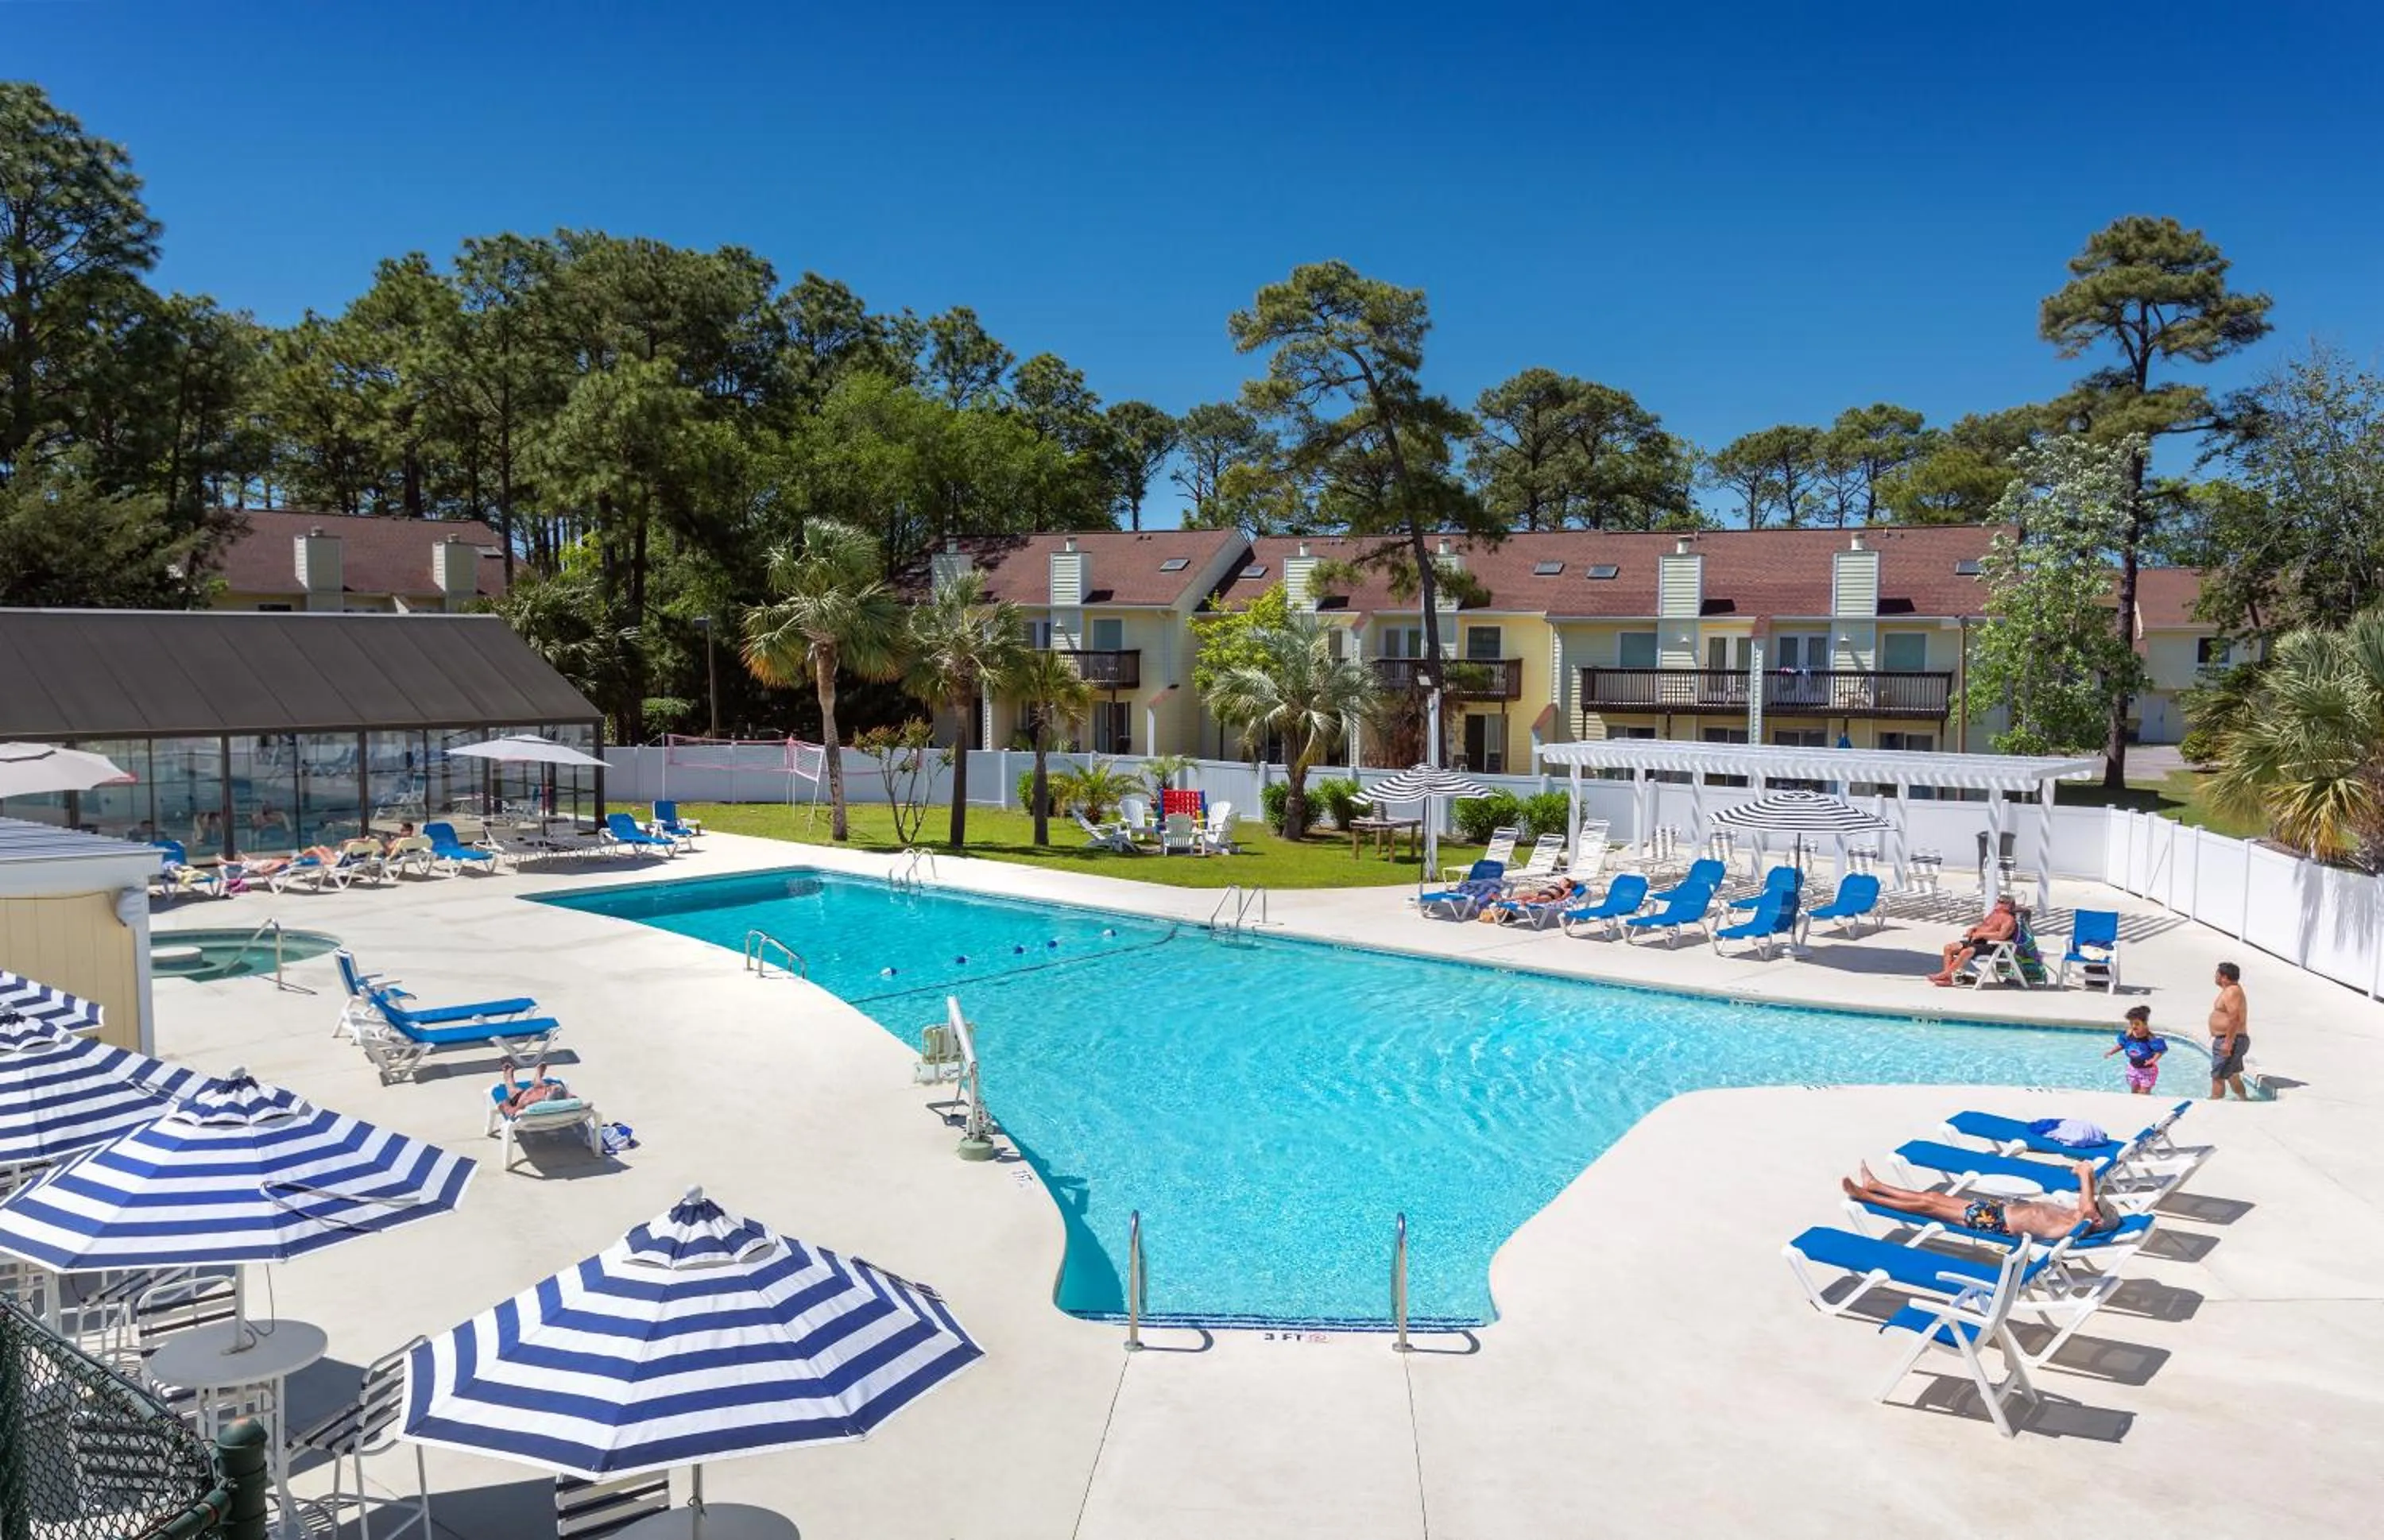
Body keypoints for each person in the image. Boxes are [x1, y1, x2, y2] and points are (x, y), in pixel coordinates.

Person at [1843, 1158, 2120, 1242]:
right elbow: (2088, 1198)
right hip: (1998, 1211)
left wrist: (2085, 1177)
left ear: (2095, 1221)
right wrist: (2085, 1172)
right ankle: (1876, 1185)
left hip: (1995, 1224)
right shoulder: (2077, 1214)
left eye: (2098, 1211)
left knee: (1928, 1207)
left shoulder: (2076, 1228)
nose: (2094, 1206)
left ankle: (1866, 1196)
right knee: (1934, 1196)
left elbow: (2086, 1211)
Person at [1926, 895, 2018, 985]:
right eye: (1998, 901)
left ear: (2009, 905)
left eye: (2001, 902)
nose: (1997, 903)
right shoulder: (1994, 914)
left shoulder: (2009, 919)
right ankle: (1948, 978)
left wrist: (1981, 935)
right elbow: (1983, 926)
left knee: (1966, 952)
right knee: (1949, 948)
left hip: (1991, 946)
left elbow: (2002, 935)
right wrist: (1973, 929)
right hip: (1977, 942)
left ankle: (1945, 975)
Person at [2209, 961, 2252, 1101]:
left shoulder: (2232, 991)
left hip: (2231, 1040)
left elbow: (2235, 1018)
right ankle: (2244, 1100)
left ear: (2224, 977)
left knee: (2218, 1077)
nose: (2215, 976)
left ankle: (2214, 1104)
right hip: (2233, 1039)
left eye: (2217, 974)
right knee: (2233, 1075)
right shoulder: (2231, 991)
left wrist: (2228, 1042)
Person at [2103, 1004, 2167, 1094]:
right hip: (2133, 1068)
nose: (2133, 1026)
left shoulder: (2150, 1039)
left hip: (2147, 1070)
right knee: (2134, 1091)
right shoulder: (2128, 1035)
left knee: (2144, 1093)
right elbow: (2122, 1045)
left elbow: (2159, 1051)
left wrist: (2153, 1060)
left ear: (2145, 1024)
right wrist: (2111, 1052)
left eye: (2137, 1024)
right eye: (2131, 1023)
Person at [495, 1058, 571, 1116]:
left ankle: (508, 1076)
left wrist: (505, 1105)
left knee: (513, 1090)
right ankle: (537, 1078)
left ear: (548, 1093)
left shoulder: (528, 1102)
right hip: (537, 1094)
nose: (551, 1085)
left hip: (519, 1097)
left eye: (550, 1087)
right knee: (541, 1085)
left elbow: (512, 1112)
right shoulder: (561, 1103)